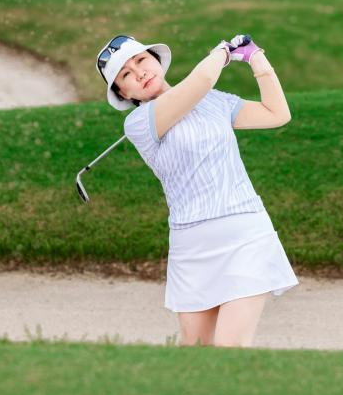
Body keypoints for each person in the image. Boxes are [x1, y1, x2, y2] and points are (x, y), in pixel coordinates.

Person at [95, 34, 299, 348]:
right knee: (196, 351)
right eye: (126, 75)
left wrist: (256, 57)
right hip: (191, 247)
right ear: (123, 93)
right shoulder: (138, 123)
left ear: (156, 60)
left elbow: (277, 113)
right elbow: (201, 79)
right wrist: (223, 51)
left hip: (245, 232)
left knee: (230, 347)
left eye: (141, 60)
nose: (139, 73)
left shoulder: (215, 101)